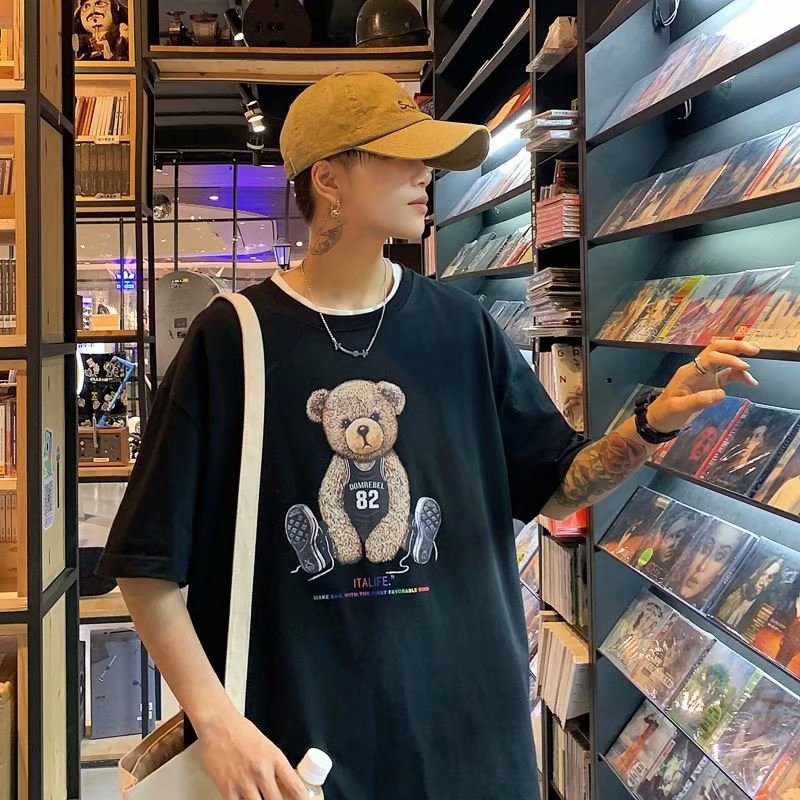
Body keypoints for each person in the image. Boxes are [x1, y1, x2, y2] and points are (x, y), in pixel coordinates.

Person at [96, 72, 762, 800]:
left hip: (472, 748)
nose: (426, 174)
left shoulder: (462, 328)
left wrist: (650, 423)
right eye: (401, 155)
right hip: (299, 761)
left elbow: (554, 485)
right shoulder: (232, 342)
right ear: (329, 178)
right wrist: (219, 725)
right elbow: (146, 564)